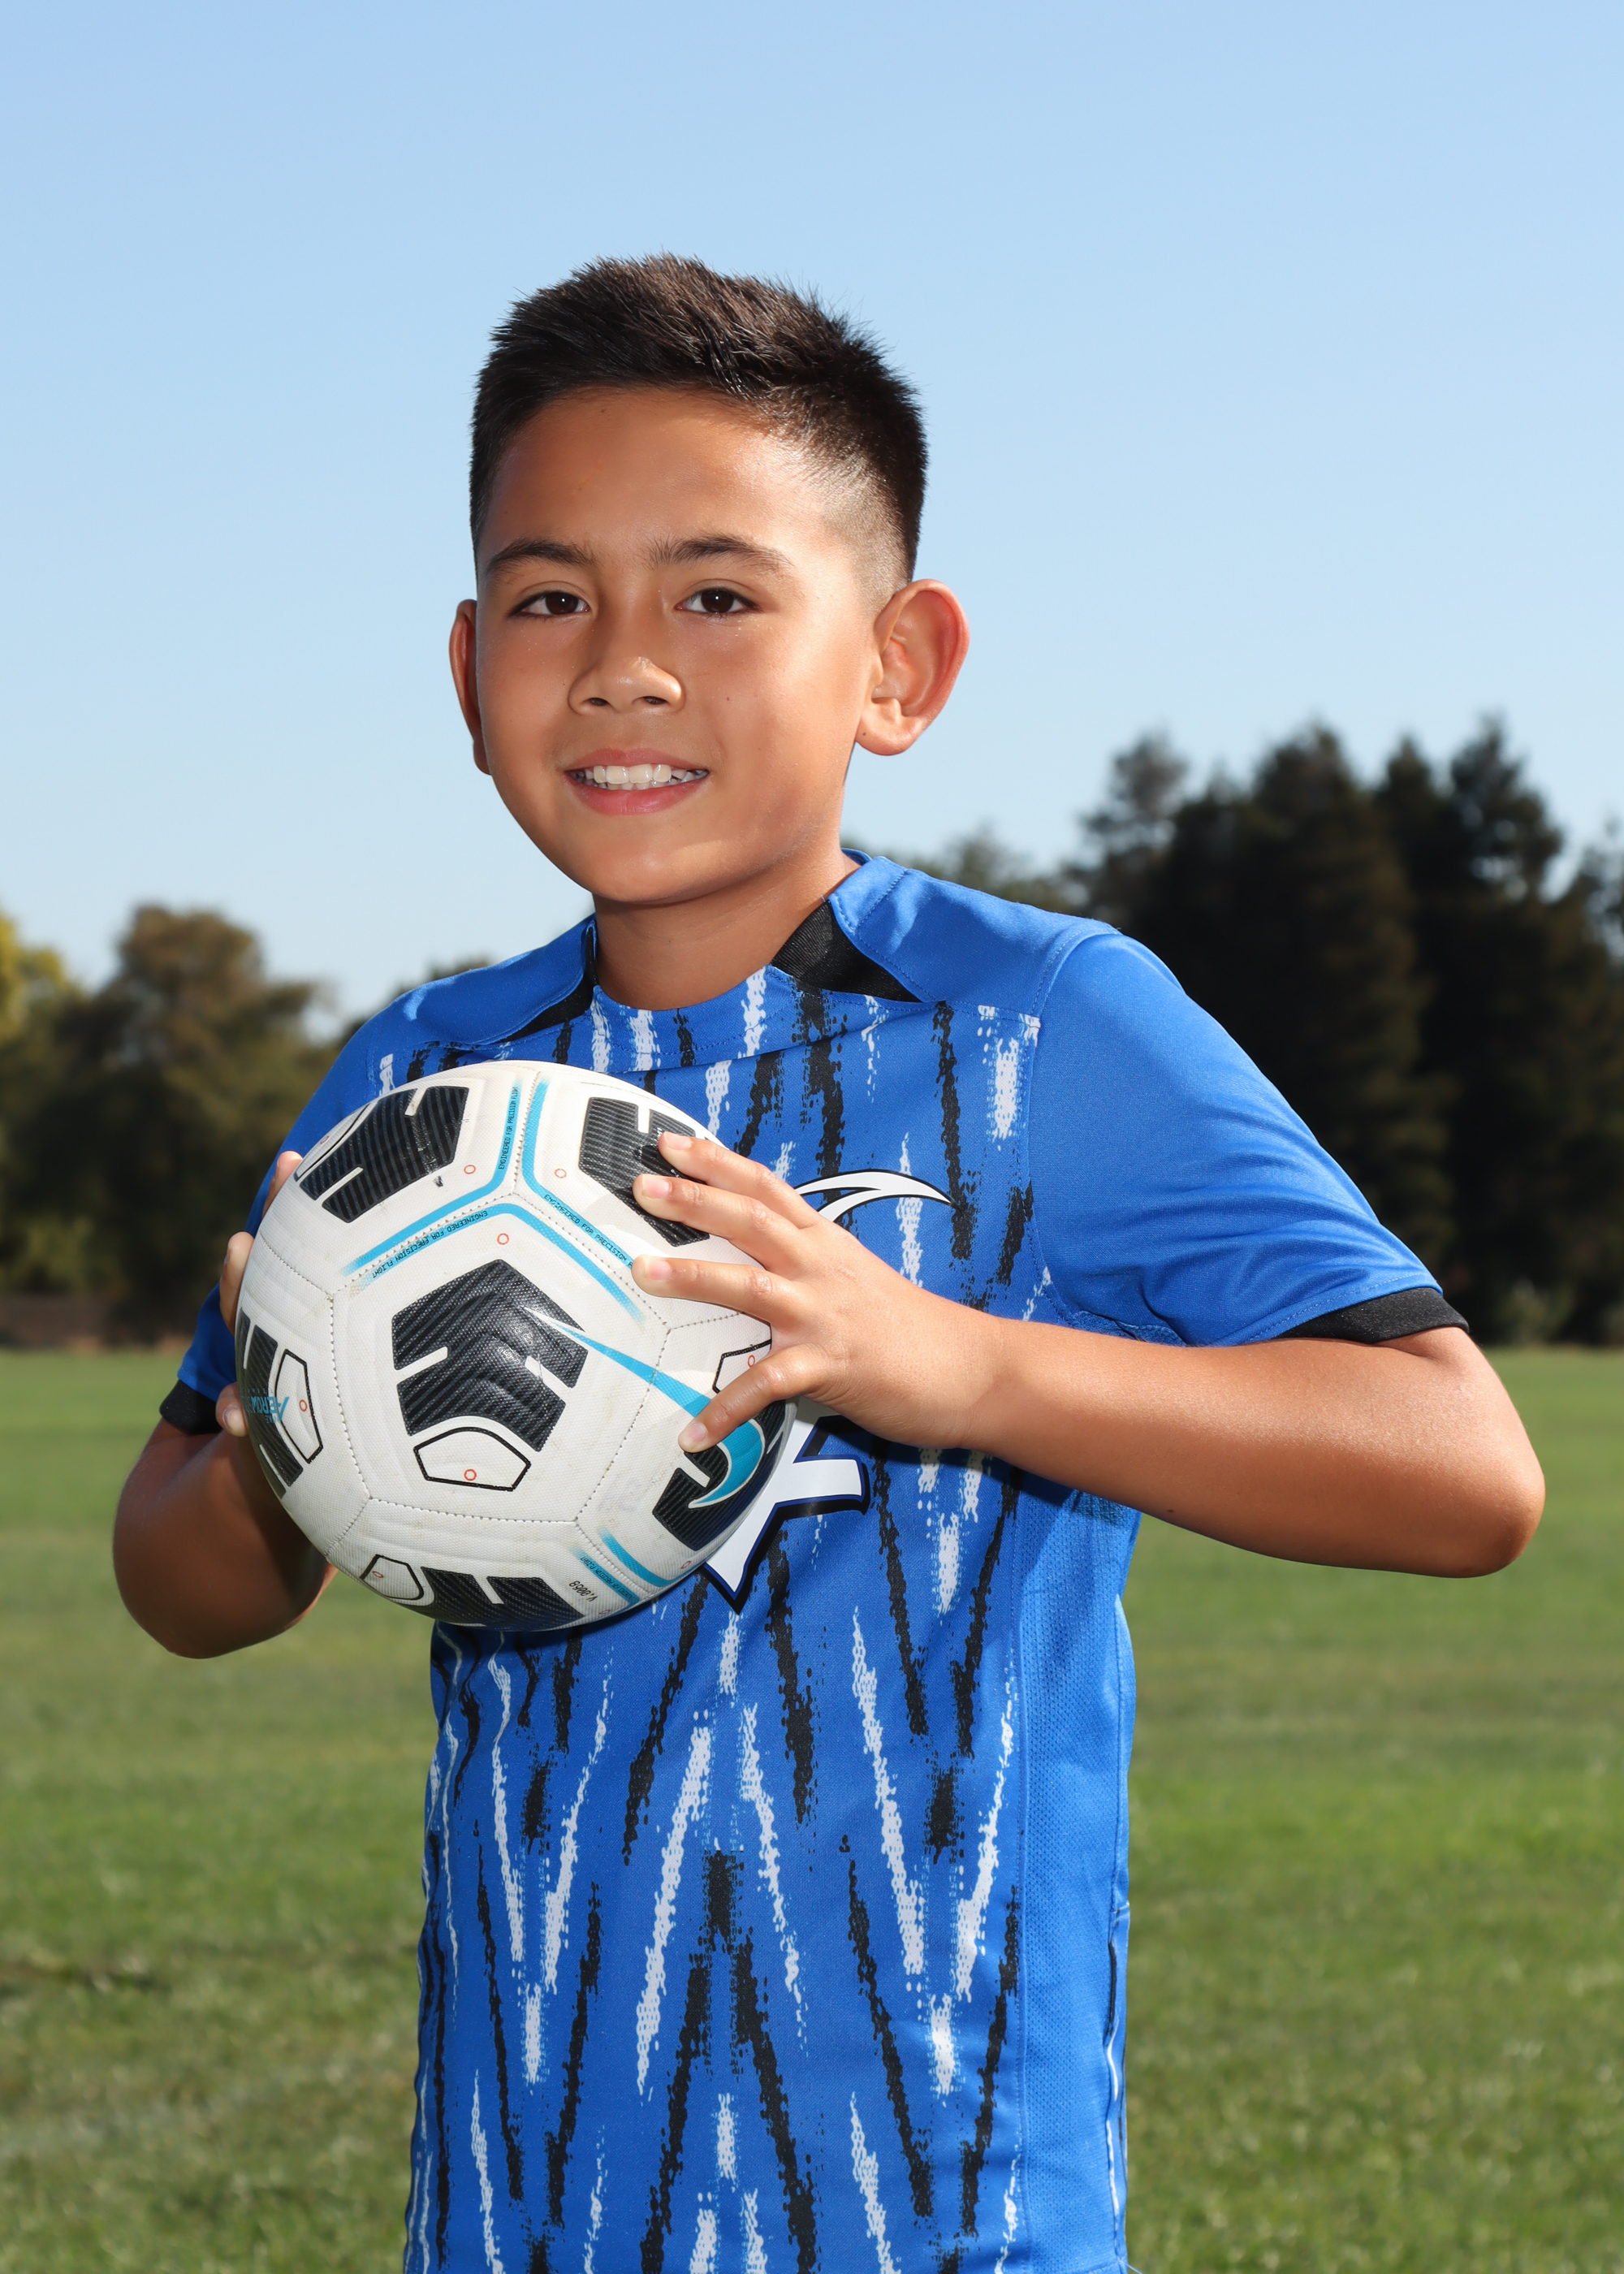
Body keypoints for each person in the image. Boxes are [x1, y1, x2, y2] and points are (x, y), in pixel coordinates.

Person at [114, 256, 1543, 2274]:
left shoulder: (1051, 1026)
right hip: (519, 2201)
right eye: (550, 599)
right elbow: (179, 1579)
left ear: (897, 663)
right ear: (465, 669)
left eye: (716, 595)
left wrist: (959, 1363)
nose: (623, 666)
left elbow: (1463, 1470)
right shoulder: (419, 1087)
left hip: (946, 2203)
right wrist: (298, 1424)